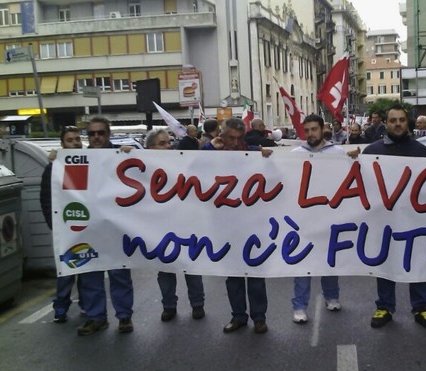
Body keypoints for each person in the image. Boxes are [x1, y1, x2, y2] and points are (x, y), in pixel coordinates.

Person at [363, 104, 426, 330]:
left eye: (401, 120)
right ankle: (385, 306)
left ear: (408, 123)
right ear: (386, 123)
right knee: (386, 261)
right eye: (393, 120)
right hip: (383, 220)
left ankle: (422, 307)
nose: (397, 124)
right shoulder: (371, 151)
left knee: (417, 261)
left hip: (415, 220)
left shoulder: (421, 152)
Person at [203, 117, 273, 334]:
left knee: (255, 274)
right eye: (230, 138)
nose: (234, 143)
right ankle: (238, 316)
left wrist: (268, 156)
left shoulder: (253, 152)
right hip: (225, 224)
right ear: (221, 136)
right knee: (233, 274)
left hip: (252, 224)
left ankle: (259, 318)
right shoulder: (210, 152)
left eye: (238, 138)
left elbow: (278, 169)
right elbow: (191, 167)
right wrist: (208, 148)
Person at [76, 117, 135, 336]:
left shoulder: (120, 156)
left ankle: (124, 317)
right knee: (90, 273)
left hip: (115, 227)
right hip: (88, 228)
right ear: (88, 137)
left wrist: (131, 154)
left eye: (101, 133)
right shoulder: (77, 160)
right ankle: (96, 317)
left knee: (119, 272)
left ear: (108, 134)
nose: (97, 137)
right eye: (92, 134)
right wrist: (56, 160)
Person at [143, 129, 206, 322]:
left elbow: (206, 165)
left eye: (168, 142)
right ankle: (169, 306)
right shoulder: (143, 167)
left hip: (185, 223)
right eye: (161, 143)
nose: (168, 146)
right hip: (160, 225)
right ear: (150, 148)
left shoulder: (181, 161)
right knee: (166, 268)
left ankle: (197, 304)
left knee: (191, 266)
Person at [290, 114, 346, 323]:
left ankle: (332, 297)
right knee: (302, 262)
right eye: (307, 130)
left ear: (323, 129)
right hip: (303, 219)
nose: (311, 134)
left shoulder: (337, 153)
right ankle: (299, 306)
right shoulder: (295, 154)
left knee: (329, 260)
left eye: (314, 129)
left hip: (330, 217)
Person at [40, 127, 84, 323]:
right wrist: (54, 223)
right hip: (66, 225)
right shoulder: (54, 168)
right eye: (69, 140)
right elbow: (47, 198)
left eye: (77, 139)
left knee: (87, 267)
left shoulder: (90, 161)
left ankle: (86, 303)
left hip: (86, 225)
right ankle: (61, 306)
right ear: (62, 144)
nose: (74, 143)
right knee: (66, 269)